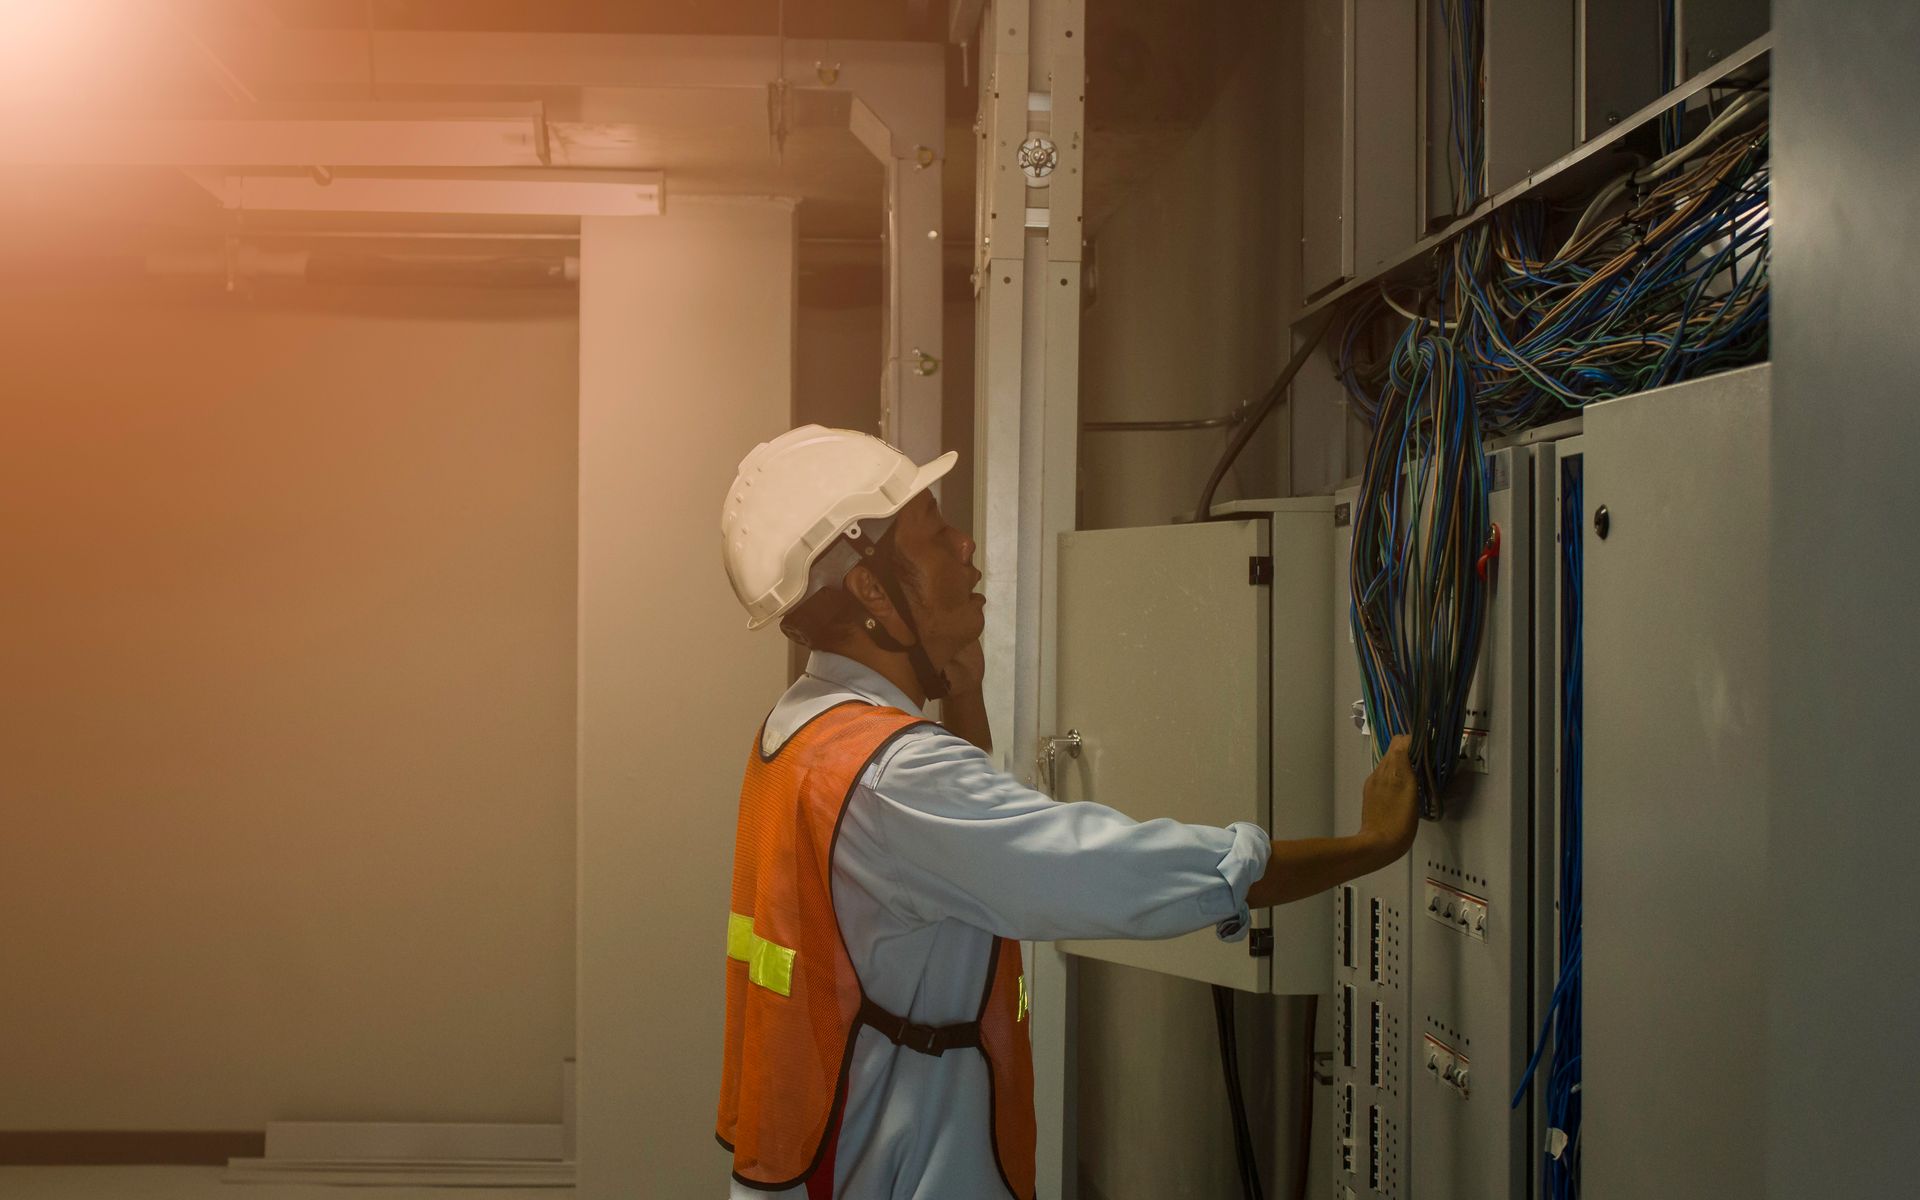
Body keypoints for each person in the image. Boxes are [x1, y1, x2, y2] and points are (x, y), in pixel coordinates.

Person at [715, 426, 1418, 1199]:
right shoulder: (895, 776)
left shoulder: (804, 728)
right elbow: (1111, 869)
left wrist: (966, 689)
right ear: (872, 590)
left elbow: (944, 861)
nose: (964, 542)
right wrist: (1368, 845)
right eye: (933, 530)